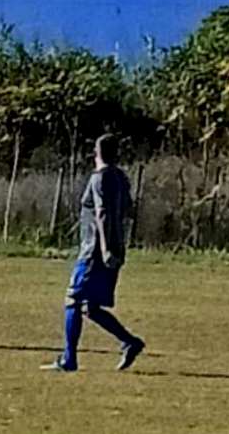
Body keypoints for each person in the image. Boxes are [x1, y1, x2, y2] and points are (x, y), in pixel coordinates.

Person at [42, 134, 145, 372]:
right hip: (115, 247)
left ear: (96, 153)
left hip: (94, 251)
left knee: (73, 299)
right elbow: (128, 211)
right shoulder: (121, 178)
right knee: (90, 306)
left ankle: (69, 359)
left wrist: (105, 247)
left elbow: (102, 212)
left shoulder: (99, 177)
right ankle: (129, 342)